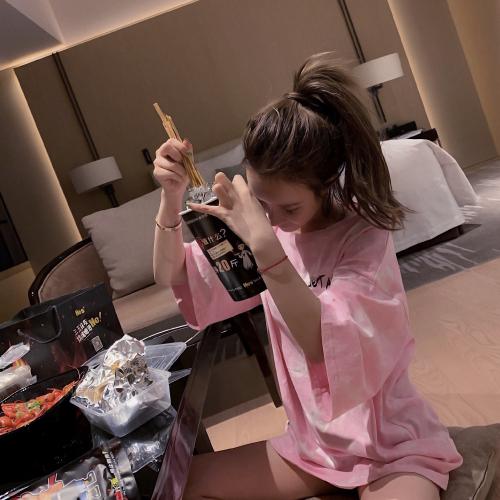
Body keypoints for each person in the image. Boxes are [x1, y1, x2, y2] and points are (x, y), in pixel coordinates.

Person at [152, 52, 462, 500]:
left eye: (290, 207)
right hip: (313, 446)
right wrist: (170, 199)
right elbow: (170, 273)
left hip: (388, 443)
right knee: (183, 485)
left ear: (328, 183)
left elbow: (325, 344)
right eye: (263, 203)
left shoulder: (363, 238)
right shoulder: (271, 230)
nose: (274, 218)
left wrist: (266, 250)